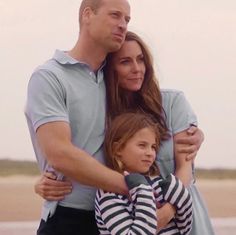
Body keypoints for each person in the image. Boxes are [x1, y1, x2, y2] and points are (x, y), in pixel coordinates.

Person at [35, 31, 214, 234]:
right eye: (125, 62)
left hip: (180, 216)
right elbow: (91, 158)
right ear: (110, 69)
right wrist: (45, 182)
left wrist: (168, 211)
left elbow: (186, 168)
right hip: (130, 220)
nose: (137, 69)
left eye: (141, 60)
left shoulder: (173, 103)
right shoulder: (106, 114)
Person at [25, 0, 131, 234]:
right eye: (115, 15)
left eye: (127, 19)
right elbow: (60, 154)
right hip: (69, 218)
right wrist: (129, 186)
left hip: (119, 217)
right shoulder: (49, 77)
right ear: (87, 15)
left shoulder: (117, 80)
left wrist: (194, 132)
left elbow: (155, 117)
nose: (123, 25)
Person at [95, 112, 193, 235]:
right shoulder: (109, 192)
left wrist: (180, 194)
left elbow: (184, 228)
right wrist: (143, 192)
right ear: (118, 149)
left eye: (153, 147)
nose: (150, 153)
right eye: (142, 145)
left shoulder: (158, 183)